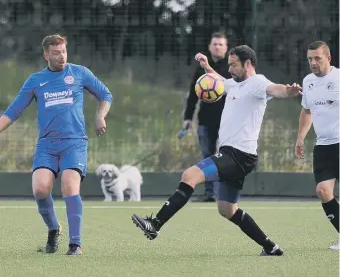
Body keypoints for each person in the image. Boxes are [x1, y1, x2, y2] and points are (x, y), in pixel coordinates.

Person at [131, 45, 302, 256]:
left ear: (247, 64)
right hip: (237, 155)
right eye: (228, 65)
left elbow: (276, 89)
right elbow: (219, 80)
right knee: (227, 210)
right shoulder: (234, 85)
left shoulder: (258, 83)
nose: (229, 69)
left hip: (238, 154)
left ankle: (155, 224)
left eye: (233, 65)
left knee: (190, 175)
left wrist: (289, 91)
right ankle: (271, 247)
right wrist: (207, 67)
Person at [0, 34, 112, 255]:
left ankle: (75, 244)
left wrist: (100, 116)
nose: (62, 57)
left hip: (74, 143)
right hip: (47, 145)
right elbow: (13, 111)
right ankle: (54, 229)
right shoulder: (35, 81)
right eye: (56, 53)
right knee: (40, 188)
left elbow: (106, 94)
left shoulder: (80, 73)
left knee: (70, 186)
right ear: (46, 55)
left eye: (64, 51)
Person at [295, 41, 339, 251]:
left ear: (328, 58)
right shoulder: (308, 81)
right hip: (323, 147)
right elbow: (307, 111)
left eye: (317, 58)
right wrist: (301, 137)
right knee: (323, 190)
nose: (313, 63)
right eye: (310, 59)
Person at [183, 32, 231, 202]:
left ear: (226, 48)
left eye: (221, 44)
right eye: (215, 44)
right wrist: (188, 118)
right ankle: (209, 193)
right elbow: (192, 94)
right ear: (210, 47)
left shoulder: (231, 69)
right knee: (208, 157)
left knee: (225, 158)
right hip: (205, 120)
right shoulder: (201, 69)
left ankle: (224, 193)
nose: (217, 47)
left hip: (227, 121)